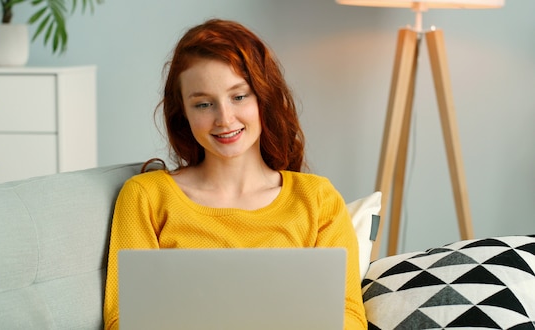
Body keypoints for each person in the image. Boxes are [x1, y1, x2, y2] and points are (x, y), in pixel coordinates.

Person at [103, 18, 367, 329]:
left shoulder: (317, 199)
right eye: (203, 104)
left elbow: (348, 316)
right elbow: (123, 319)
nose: (224, 119)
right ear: (183, 113)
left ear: (263, 98)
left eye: (239, 96)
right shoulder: (145, 196)